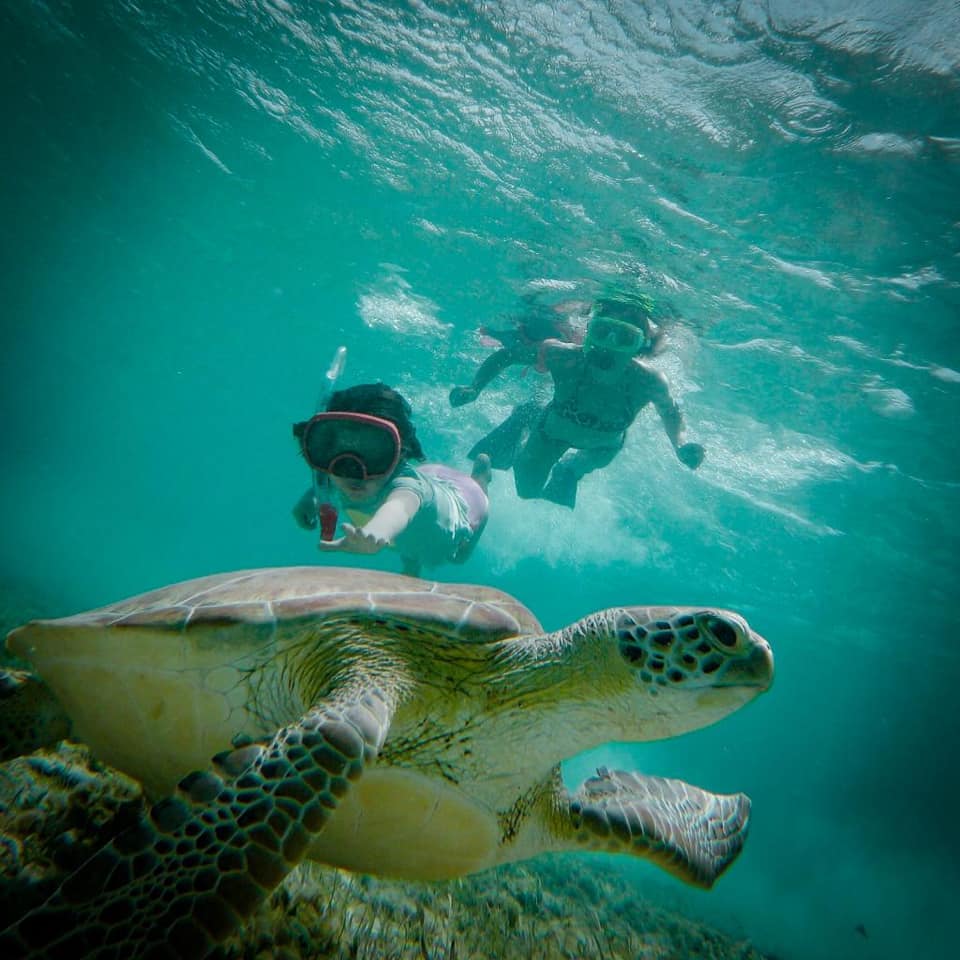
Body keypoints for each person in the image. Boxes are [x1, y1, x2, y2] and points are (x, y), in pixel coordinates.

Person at [450, 293, 703, 509]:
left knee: (576, 468)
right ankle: (522, 424)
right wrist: (475, 388)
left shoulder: (648, 380)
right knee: (526, 491)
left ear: (637, 346)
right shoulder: (562, 356)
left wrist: (680, 444)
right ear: (589, 332)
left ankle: (568, 469)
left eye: (624, 338)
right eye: (602, 332)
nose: (609, 346)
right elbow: (507, 355)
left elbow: (670, 412)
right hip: (551, 434)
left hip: (603, 447)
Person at [292, 382, 491, 577]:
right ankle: (412, 561)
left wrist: (377, 531)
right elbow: (324, 478)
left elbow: (399, 509)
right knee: (408, 541)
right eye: (338, 453)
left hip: (467, 500)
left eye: (374, 453)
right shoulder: (336, 471)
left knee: (457, 558)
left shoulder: (407, 490)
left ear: (399, 454)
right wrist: (311, 499)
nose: (353, 470)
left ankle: (481, 477)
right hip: (424, 498)